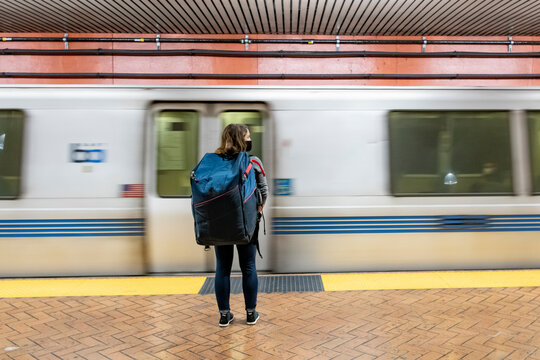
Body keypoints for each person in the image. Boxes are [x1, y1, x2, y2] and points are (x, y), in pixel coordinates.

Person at [213, 124, 268, 327]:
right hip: (246, 223)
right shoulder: (252, 161)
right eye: (248, 136)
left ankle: (224, 315)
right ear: (241, 139)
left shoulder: (214, 161)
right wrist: (258, 211)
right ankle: (251, 313)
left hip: (220, 223)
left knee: (223, 269)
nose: (250, 139)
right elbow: (264, 189)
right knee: (248, 266)